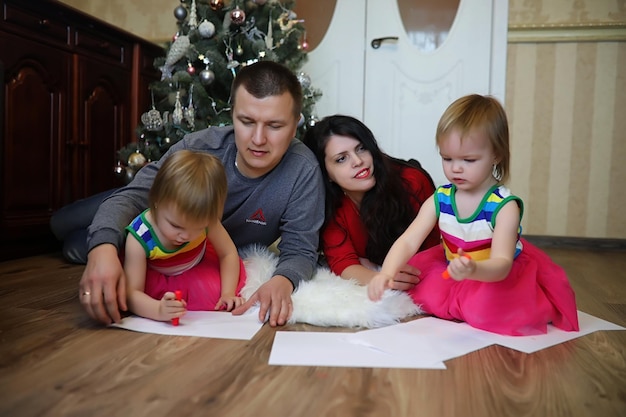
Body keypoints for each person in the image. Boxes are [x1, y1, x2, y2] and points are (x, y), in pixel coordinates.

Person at [75, 60, 325, 327]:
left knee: (73, 246)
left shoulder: (303, 170)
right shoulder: (199, 148)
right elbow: (132, 196)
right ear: (232, 114)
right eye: (247, 121)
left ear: (296, 123)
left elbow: (301, 248)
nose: (258, 139)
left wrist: (282, 280)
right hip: (148, 226)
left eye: (275, 126)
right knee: (69, 228)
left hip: (195, 254)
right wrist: (101, 249)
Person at [368, 94, 580, 336]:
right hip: (454, 264)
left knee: (485, 310)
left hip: (492, 272)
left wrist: (473, 272)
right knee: (423, 292)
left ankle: (532, 302)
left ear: (496, 155)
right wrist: (386, 272)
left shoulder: (503, 206)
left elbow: (501, 264)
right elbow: (409, 240)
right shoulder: (441, 198)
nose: (455, 168)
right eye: (447, 158)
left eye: (468, 160)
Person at [302, 115, 440, 287]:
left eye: (361, 149)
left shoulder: (412, 182)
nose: (358, 161)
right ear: (326, 173)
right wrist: (381, 280)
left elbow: (432, 251)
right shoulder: (330, 205)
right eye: (341, 159)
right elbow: (343, 264)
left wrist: (370, 266)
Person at [125, 150, 246, 322]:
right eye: (176, 226)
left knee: (216, 290)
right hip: (158, 278)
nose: (186, 236)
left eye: (198, 228)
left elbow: (228, 254)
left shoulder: (207, 220)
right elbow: (131, 293)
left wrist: (227, 293)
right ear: (157, 202)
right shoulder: (140, 237)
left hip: (198, 265)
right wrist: (158, 310)